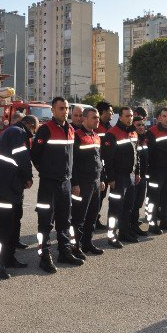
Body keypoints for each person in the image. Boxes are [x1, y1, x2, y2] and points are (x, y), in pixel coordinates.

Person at [31, 97, 83, 273]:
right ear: (53, 110)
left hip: (66, 183)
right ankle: (44, 257)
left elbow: (73, 160)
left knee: (64, 220)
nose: (65, 111)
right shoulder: (45, 130)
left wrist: (73, 181)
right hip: (49, 184)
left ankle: (64, 252)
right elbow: (35, 155)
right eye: (61, 108)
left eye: (67, 108)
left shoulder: (71, 130)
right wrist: (47, 170)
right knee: (45, 222)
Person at [0, 115, 38, 279]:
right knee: (4, 228)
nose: (34, 133)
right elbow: (22, 158)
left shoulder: (12, 132)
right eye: (34, 129)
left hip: (6, 187)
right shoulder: (17, 132)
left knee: (11, 224)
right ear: (30, 125)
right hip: (5, 189)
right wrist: (28, 177)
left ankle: (9, 257)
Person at [102, 107, 139, 247]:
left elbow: (137, 155)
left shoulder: (133, 132)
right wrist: (110, 178)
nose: (130, 118)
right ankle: (112, 236)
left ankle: (124, 233)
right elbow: (107, 159)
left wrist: (137, 172)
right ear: (120, 117)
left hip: (130, 176)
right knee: (115, 209)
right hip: (118, 177)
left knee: (128, 207)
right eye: (127, 116)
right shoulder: (112, 134)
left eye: (131, 115)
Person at [71, 108, 105, 256]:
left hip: (96, 181)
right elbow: (72, 162)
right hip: (82, 183)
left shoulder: (97, 136)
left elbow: (100, 160)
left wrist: (102, 179)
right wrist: (75, 183)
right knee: (79, 217)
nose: (97, 120)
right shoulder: (76, 136)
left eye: (97, 118)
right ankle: (75, 246)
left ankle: (87, 243)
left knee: (92, 215)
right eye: (94, 118)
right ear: (84, 119)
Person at [145, 106, 167, 234]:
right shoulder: (152, 132)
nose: (166, 118)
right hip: (156, 171)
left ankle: (165, 221)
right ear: (159, 117)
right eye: (163, 116)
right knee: (154, 199)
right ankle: (152, 225)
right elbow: (148, 153)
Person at [94, 101, 114, 231]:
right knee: (97, 196)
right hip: (98, 167)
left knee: (102, 196)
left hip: (108, 168)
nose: (112, 113)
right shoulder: (96, 128)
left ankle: (95, 219)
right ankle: (91, 220)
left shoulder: (109, 127)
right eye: (110, 111)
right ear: (102, 112)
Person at [131, 115, 150, 236]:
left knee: (138, 203)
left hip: (143, 176)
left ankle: (134, 225)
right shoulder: (133, 139)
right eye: (138, 125)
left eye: (143, 124)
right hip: (134, 177)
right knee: (131, 203)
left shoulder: (145, 139)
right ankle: (129, 227)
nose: (141, 127)